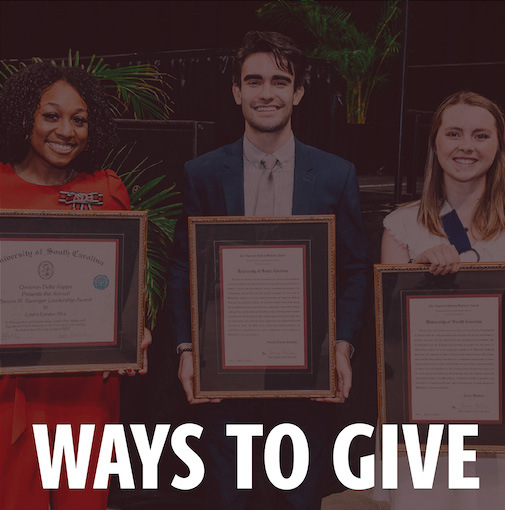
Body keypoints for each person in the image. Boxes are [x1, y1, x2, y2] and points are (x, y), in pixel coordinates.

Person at [167, 31, 371, 509]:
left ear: (298, 93)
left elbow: (356, 269)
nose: (266, 93)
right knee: (229, 499)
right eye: (253, 81)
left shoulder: (336, 174)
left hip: (307, 375)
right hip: (225, 375)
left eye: (280, 81)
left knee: (298, 501)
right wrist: (186, 347)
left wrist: (342, 347)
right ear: (236, 92)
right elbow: (184, 266)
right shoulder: (202, 173)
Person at [0, 62, 151, 510]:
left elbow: (127, 286)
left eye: (79, 120)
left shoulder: (107, 191)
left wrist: (135, 332)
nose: (66, 130)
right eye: (51, 115)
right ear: (24, 116)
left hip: (86, 388)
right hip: (10, 390)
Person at [377, 91, 505, 508]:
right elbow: (391, 340)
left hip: (500, 414)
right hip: (427, 419)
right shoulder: (401, 226)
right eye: (453, 133)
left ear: (498, 145)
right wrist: (416, 275)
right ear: (435, 143)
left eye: (480, 135)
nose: (466, 146)